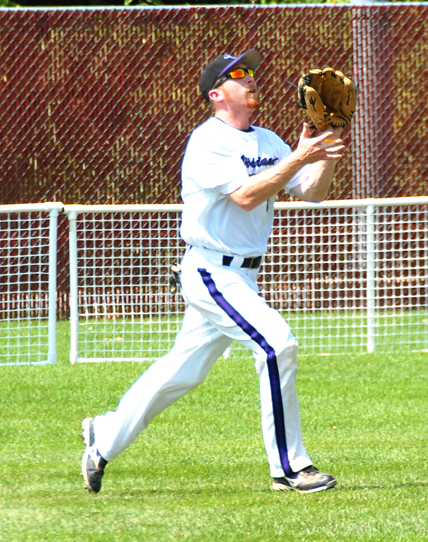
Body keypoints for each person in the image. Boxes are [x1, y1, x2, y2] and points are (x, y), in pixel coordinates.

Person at [81, 48, 346, 494]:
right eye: (240, 74)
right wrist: (299, 158)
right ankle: (290, 467)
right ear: (218, 94)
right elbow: (245, 196)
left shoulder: (268, 141)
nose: (251, 79)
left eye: (252, 72)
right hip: (210, 269)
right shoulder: (207, 141)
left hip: (241, 275)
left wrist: (324, 145)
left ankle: (103, 437)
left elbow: (312, 192)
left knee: (181, 372)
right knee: (277, 344)